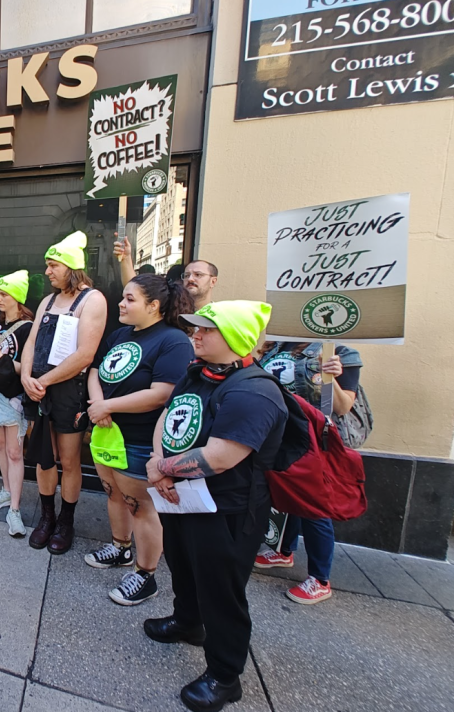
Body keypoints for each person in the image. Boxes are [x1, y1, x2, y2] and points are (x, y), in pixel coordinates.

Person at [144, 301, 286, 712]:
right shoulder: (198, 372)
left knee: (221, 590)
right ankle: (188, 621)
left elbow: (221, 457)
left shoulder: (254, 390)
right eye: (196, 329)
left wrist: (164, 469)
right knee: (184, 566)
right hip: (183, 497)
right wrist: (160, 467)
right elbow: (168, 417)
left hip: (227, 511)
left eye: (207, 330)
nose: (196, 335)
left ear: (237, 338)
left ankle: (225, 676)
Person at [85, 274, 194, 605]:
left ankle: (145, 574)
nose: (121, 303)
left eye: (130, 299)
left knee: (140, 505)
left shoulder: (174, 341)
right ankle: (120, 547)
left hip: (140, 438)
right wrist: (97, 406)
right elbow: (94, 370)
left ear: (154, 305)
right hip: (106, 432)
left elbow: (162, 394)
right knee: (113, 493)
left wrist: (108, 405)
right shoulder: (119, 334)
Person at [254, 340, 363, 605]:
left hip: (314, 440)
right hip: (282, 434)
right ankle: (284, 551)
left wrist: (332, 378)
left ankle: (320, 579)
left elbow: (342, 406)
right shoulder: (277, 346)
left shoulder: (341, 353)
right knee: (290, 495)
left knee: (314, 506)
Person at [21, 231, 108, 555]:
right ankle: (46, 518)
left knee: (69, 460)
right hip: (39, 390)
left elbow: (85, 355)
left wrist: (45, 381)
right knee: (45, 459)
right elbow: (31, 343)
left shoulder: (93, 300)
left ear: (70, 267)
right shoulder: (47, 301)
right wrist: (28, 377)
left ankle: (66, 522)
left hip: (68, 391)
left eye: (52, 265)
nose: (47, 272)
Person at [0, 270, 34, 536]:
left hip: (13, 398)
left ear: (17, 298)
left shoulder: (28, 329)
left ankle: (14, 510)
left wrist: (0, 357)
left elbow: (30, 368)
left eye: (3, 294)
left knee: (14, 452)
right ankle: (6, 490)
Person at [114, 237, 219, 310]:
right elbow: (135, 288)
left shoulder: (219, 317)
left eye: (198, 275)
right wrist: (126, 258)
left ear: (213, 281)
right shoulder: (170, 309)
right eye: (186, 275)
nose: (190, 279)